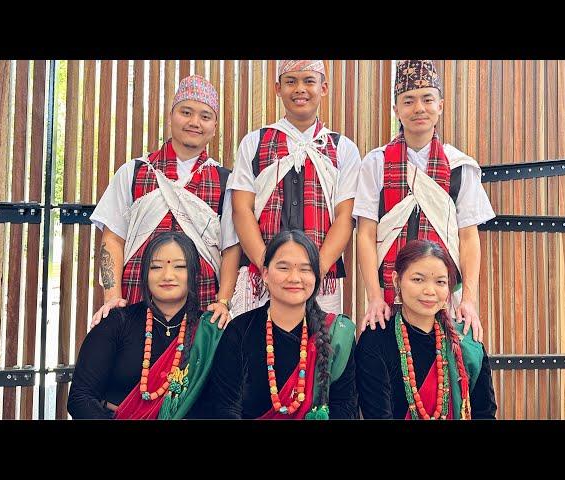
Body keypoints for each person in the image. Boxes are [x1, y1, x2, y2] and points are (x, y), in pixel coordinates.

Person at [354, 60, 495, 341]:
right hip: (390, 296)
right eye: (408, 101)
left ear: (440, 105)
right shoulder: (376, 163)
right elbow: (366, 234)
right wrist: (374, 297)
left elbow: (468, 237)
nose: (419, 108)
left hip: (443, 298)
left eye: (427, 99)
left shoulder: (459, 166)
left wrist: (468, 300)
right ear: (396, 109)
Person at [90, 74, 240, 328]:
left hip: (202, 307)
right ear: (171, 117)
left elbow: (230, 249)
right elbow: (113, 238)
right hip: (136, 302)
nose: (195, 122)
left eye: (205, 116)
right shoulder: (134, 172)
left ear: (214, 127)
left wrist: (223, 301)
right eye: (186, 112)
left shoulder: (225, 181)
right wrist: (112, 297)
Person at [227, 60, 361, 317]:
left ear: (323, 88)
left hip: (322, 278)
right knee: (257, 349)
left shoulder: (342, 148)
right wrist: (269, 267)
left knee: (319, 351)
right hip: (260, 278)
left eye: (309, 81)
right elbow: (241, 209)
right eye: (291, 82)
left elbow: (345, 216)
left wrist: (315, 270)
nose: (300, 89)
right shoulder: (255, 142)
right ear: (278, 88)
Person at [189, 230, 358, 419]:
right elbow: (226, 407)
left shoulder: (336, 335)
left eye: (305, 269)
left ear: (316, 276)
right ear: (266, 274)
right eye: (283, 268)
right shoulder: (239, 331)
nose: (294, 278)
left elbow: (345, 407)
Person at [68, 232, 224, 419]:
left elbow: (226, 402)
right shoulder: (117, 322)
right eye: (156, 267)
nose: (167, 275)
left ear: (194, 273)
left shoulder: (209, 331)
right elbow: (79, 397)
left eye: (180, 266)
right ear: (144, 274)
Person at [355, 239, 497, 419]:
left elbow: (484, 413)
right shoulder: (376, 340)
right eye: (418, 279)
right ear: (397, 280)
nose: (430, 290)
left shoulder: (466, 342)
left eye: (440, 282)